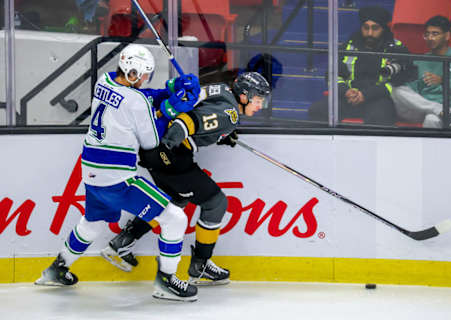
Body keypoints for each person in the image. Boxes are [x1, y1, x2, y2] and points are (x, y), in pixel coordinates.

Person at [35, 43, 201, 302]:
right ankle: (166, 281)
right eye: (144, 75)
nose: (146, 79)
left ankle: (57, 269)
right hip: (117, 179)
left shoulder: (105, 81)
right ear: (133, 72)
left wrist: (168, 91)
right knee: (175, 218)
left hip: (92, 172)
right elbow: (151, 140)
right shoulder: (135, 102)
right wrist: (172, 108)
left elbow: (143, 99)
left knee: (91, 224)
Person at [100, 71, 271, 286]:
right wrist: (168, 146)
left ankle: (122, 242)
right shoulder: (230, 114)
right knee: (216, 203)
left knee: (173, 200)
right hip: (171, 155)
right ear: (244, 96)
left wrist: (221, 136)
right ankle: (200, 265)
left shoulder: (221, 89)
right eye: (257, 100)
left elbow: (199, 110)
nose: (259, 106)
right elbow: (187, 121)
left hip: (156, 149)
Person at [308, 6, 414, 126]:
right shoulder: (348, 46)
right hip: (348, 98)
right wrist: (346, 91)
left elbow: (401, 81)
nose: (369, 33)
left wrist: (366, 95)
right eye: (366, 28)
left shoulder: (397, 48)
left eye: (375, 28)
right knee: (317, 110)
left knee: (381, 116)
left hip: (378, 99)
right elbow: (332, 75)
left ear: (384, 29)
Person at [391, 15, 451, 128]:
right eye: (427, 34)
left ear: (447, 36)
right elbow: (413, 89)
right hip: (420, 106)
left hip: (446, 107)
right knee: (397, 90)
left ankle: (445, 113)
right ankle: (441, 111)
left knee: (432, 119)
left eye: (435, 34)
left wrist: (442, 81)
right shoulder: (422, 59)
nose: (430, 38)